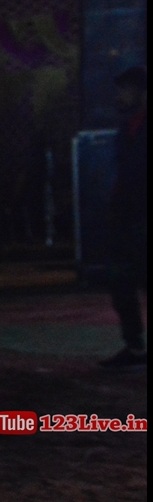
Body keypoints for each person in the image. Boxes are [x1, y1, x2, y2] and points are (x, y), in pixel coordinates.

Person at [99, 65, 147, 371]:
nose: (119, 96)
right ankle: (135, 347)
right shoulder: (126, 130)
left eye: (125, 90)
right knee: (120, 281)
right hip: (126, 217)